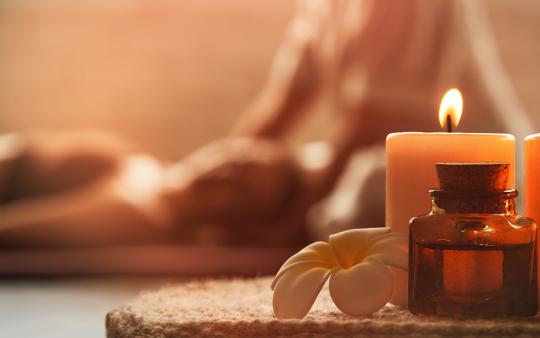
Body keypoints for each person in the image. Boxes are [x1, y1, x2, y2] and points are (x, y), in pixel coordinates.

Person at [0, 0, 532, 248]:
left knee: (143, 204)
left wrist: (286, 235)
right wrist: (199, 170)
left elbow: (370, 120)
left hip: (484, 189)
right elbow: (283, 106)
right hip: (351, 177)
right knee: (123, 169)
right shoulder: (329, 8)